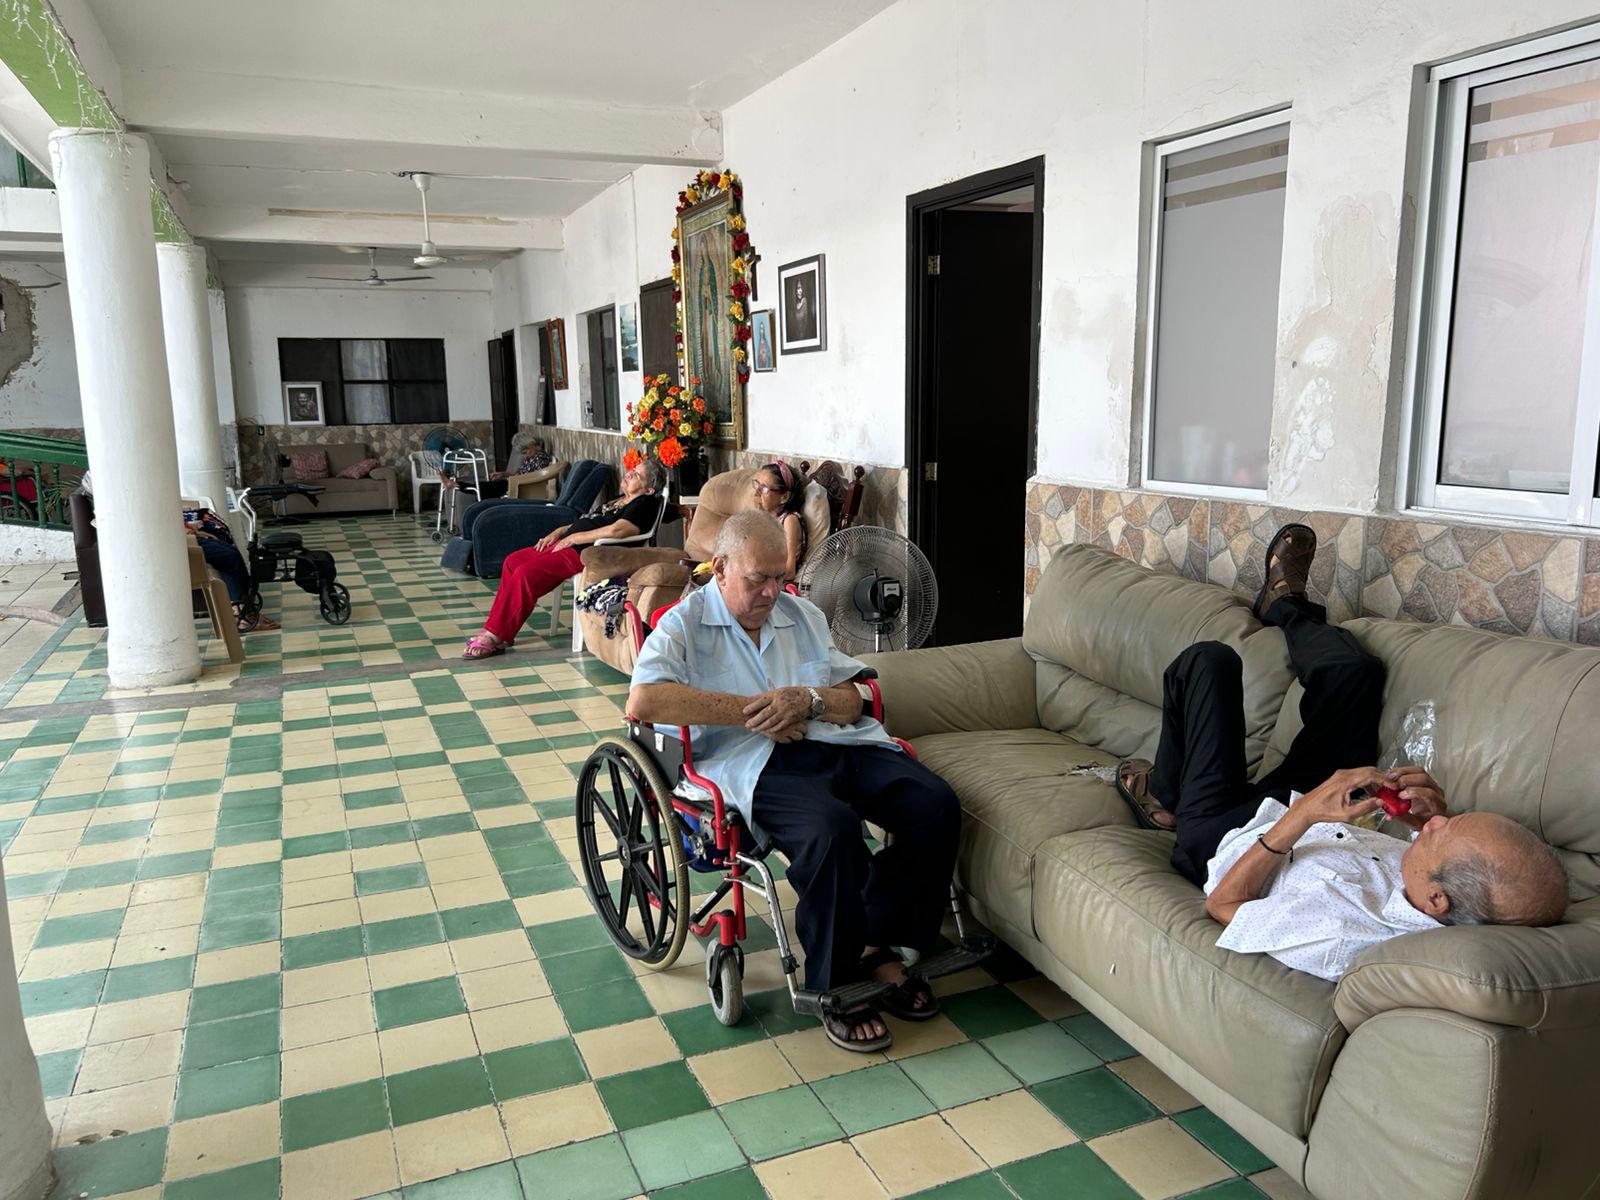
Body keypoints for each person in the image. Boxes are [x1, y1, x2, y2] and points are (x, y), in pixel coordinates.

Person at [1116, 523, 1569, 982]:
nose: (1437, 821)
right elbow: (1429, 857)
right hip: (1304, 810)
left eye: (1440, 833)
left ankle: (1166, 791)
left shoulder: (1343, 933)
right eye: (1447, 821)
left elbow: (1224, 905)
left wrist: (1305, 813)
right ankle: (1287, 606)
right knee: (1355, 675)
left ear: (1437, 901)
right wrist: (1420, 824)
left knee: (1209, 662)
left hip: (1223, 839)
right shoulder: (1434, 888)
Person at [629, 510, 961, 1052]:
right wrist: (750, 712)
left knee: (934, 803)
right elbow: (644, 700)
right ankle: (835, 982)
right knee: (832, 830)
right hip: (751, 761)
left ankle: (876, 940)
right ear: (721, 568)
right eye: (757, 578)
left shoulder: (801, 614)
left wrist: (805, 701)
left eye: (779, 577)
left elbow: (855, 698)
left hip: (831, 742)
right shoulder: (683, 626)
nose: (771, 591)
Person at [462, 457, 663, 659]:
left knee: (525, 574)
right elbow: (591, 520)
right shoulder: (621, 498)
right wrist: (561, 531)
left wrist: (576, 537)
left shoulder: (644, 503)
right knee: (512, 562)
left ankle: (494, 634)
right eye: (632, 469)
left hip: (586, 553)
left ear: (648, 490)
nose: (628, 473)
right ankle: (503, 633)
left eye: (636, 475)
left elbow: (619, 530)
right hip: (568, 542)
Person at [182, 506, 279, 634]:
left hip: (189, 536)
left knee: (231, 551)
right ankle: (241, 610)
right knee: (229, 557)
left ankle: (245, 607)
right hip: (185, 541)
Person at [438, 439, 554, 500]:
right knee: (485, 486)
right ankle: (454, 484)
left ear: (533, 445)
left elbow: (534, 477)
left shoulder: (541, 458)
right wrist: (503, 473)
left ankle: (454, 484)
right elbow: (522, 473)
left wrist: (511, 478)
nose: (525, 456)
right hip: (514, 483)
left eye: (526, 452)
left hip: (522, 487)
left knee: (483, 488)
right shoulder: (531, 458)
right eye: (523, 454)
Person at [750, 461, 807, 580]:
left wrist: (753, 572)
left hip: (776, 584)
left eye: (764, 488)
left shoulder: (789, 521)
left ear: (784, 497)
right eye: (756, 484)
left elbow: (790, 570)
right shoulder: (763, 518)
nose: (756, 493)